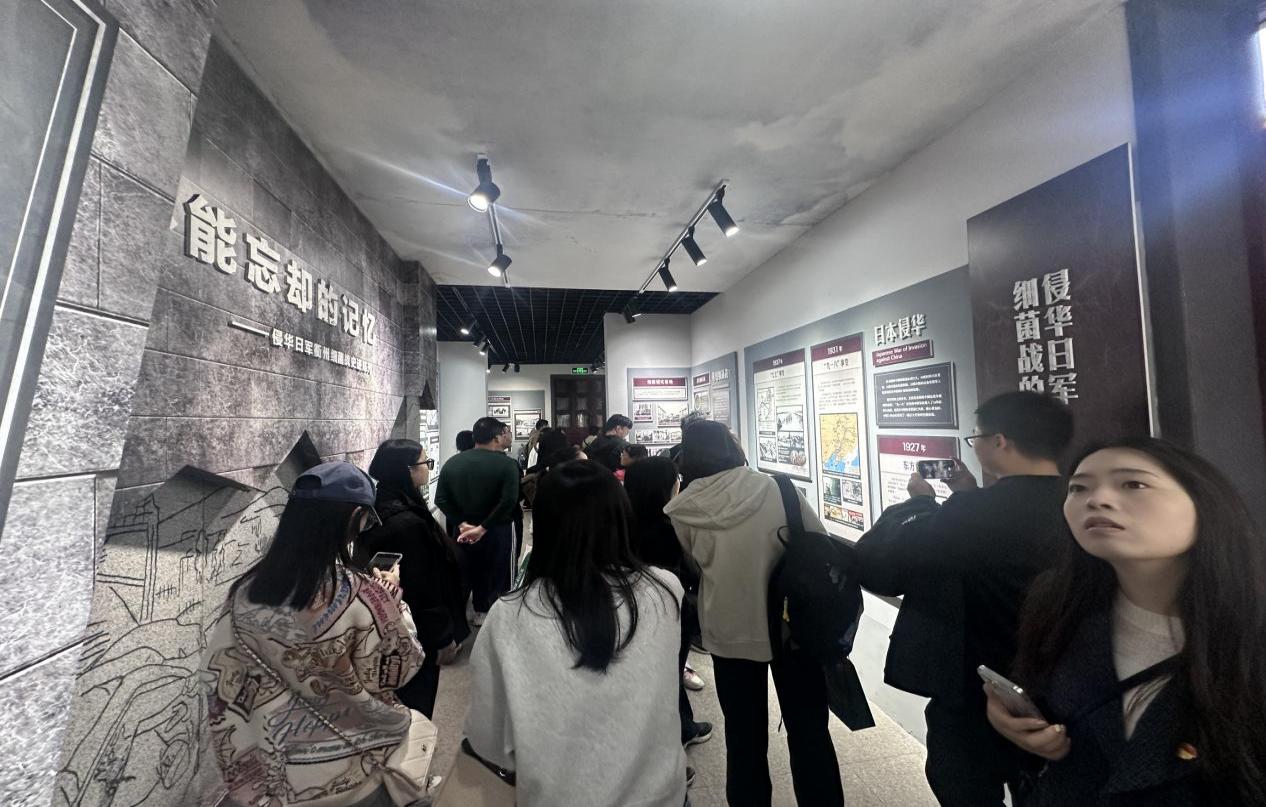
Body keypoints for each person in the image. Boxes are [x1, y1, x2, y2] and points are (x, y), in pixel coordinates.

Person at [986, 438, 1266, 805]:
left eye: (1133, 484)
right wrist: (1012, 722)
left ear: (1205, 503)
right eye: (1079, 488)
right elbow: (1044, 700)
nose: (1097, 499)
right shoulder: (1058, 600)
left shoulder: (1250, 631)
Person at [854, 390, 1073, 807]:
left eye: (976, 438)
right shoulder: (1078, 502)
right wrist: (967, 494)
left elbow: (880, 568)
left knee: (963, 785)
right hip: (1063, 684)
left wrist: (921, 504)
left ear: (999, 441)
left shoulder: (970, 513)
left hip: (978, 685)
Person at [202, 461, 436, 807]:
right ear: (354, 517)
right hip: (349, 773)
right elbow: (399, 669)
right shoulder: (358, 592)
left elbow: (221, 675)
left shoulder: (244, 592)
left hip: (273, 774)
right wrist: (392, 603)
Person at [464, 460, 689, 806]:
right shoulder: (665, 590)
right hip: (662, 795)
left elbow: (488, 740)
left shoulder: (510, 614)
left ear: (544, 526)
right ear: (621, 518)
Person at [666, 421, 844, 807]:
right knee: (810, 733)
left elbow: (695, 567)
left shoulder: (682, 508)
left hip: (728, 628)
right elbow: (820, 544)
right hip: (793, 627)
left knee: (743, 740)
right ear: (732, 447)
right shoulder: (778, 488)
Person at [357, 438, 469, 718]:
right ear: (407, 470)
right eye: (425, 462)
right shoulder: (406, 523)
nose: (429, 468)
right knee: (414, 703)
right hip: (414, 632)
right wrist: (442, 636)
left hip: (392, 624)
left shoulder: (381, 507)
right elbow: (424, 585)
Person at [624, 455, 713, 748]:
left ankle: (677, 726)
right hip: (671, 609)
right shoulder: (671, 527)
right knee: (671, 670)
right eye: (676, 480)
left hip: (630, 608)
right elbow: (694, 571)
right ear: (664, 486)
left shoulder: (621, 523)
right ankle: (681, 731)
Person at [435, 417, 521, 627]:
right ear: (497, 437)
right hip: (498, 528)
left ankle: (479, 609)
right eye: (505, 433)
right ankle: (498, 614)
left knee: (471, 568)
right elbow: (508, 501)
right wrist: (483, 528)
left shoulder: (453, 463)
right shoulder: (507, 464)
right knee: (500, 570)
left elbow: (441, 499)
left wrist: (462, 524)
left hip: (464, 530)